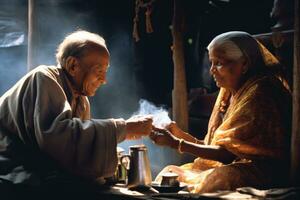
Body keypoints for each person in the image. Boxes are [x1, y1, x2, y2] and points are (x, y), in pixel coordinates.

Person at [0, 30, 152, 198]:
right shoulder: (44, 78)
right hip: (13, 176)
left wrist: (118, 136)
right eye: (99, 71)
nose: (104, 80)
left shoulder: (81, 100)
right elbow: (58, 138)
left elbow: (77, 152)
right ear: (73, 65)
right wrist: (123, 128)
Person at [150, 31, 291, 193]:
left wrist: (176, 143)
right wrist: (179, 134)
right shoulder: (228, 91)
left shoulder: (261, 92)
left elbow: (227, 155)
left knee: (218, 178)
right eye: (211, 62)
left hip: (261, 171)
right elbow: (214, 148)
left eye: (219, 63)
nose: (211, 70)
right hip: (227, 165)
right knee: (171, 173)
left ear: (244, 64)